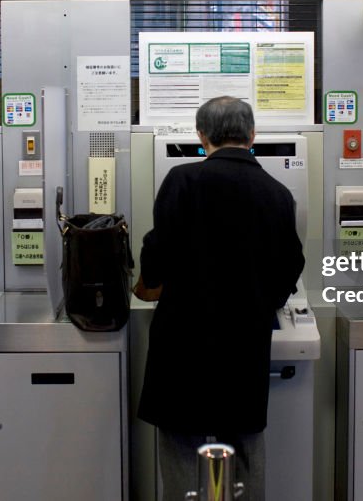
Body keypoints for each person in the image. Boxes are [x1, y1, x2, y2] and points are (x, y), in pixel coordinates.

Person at [137, 96, 305, 499]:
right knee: (246, 447)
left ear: (201, 136)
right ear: (252, 136)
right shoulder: (278, 193)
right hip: (244, 347)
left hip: (183, 344)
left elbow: (156, 259)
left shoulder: (182, 180)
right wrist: (263, 299)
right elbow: (291, 267)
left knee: (180, 448)